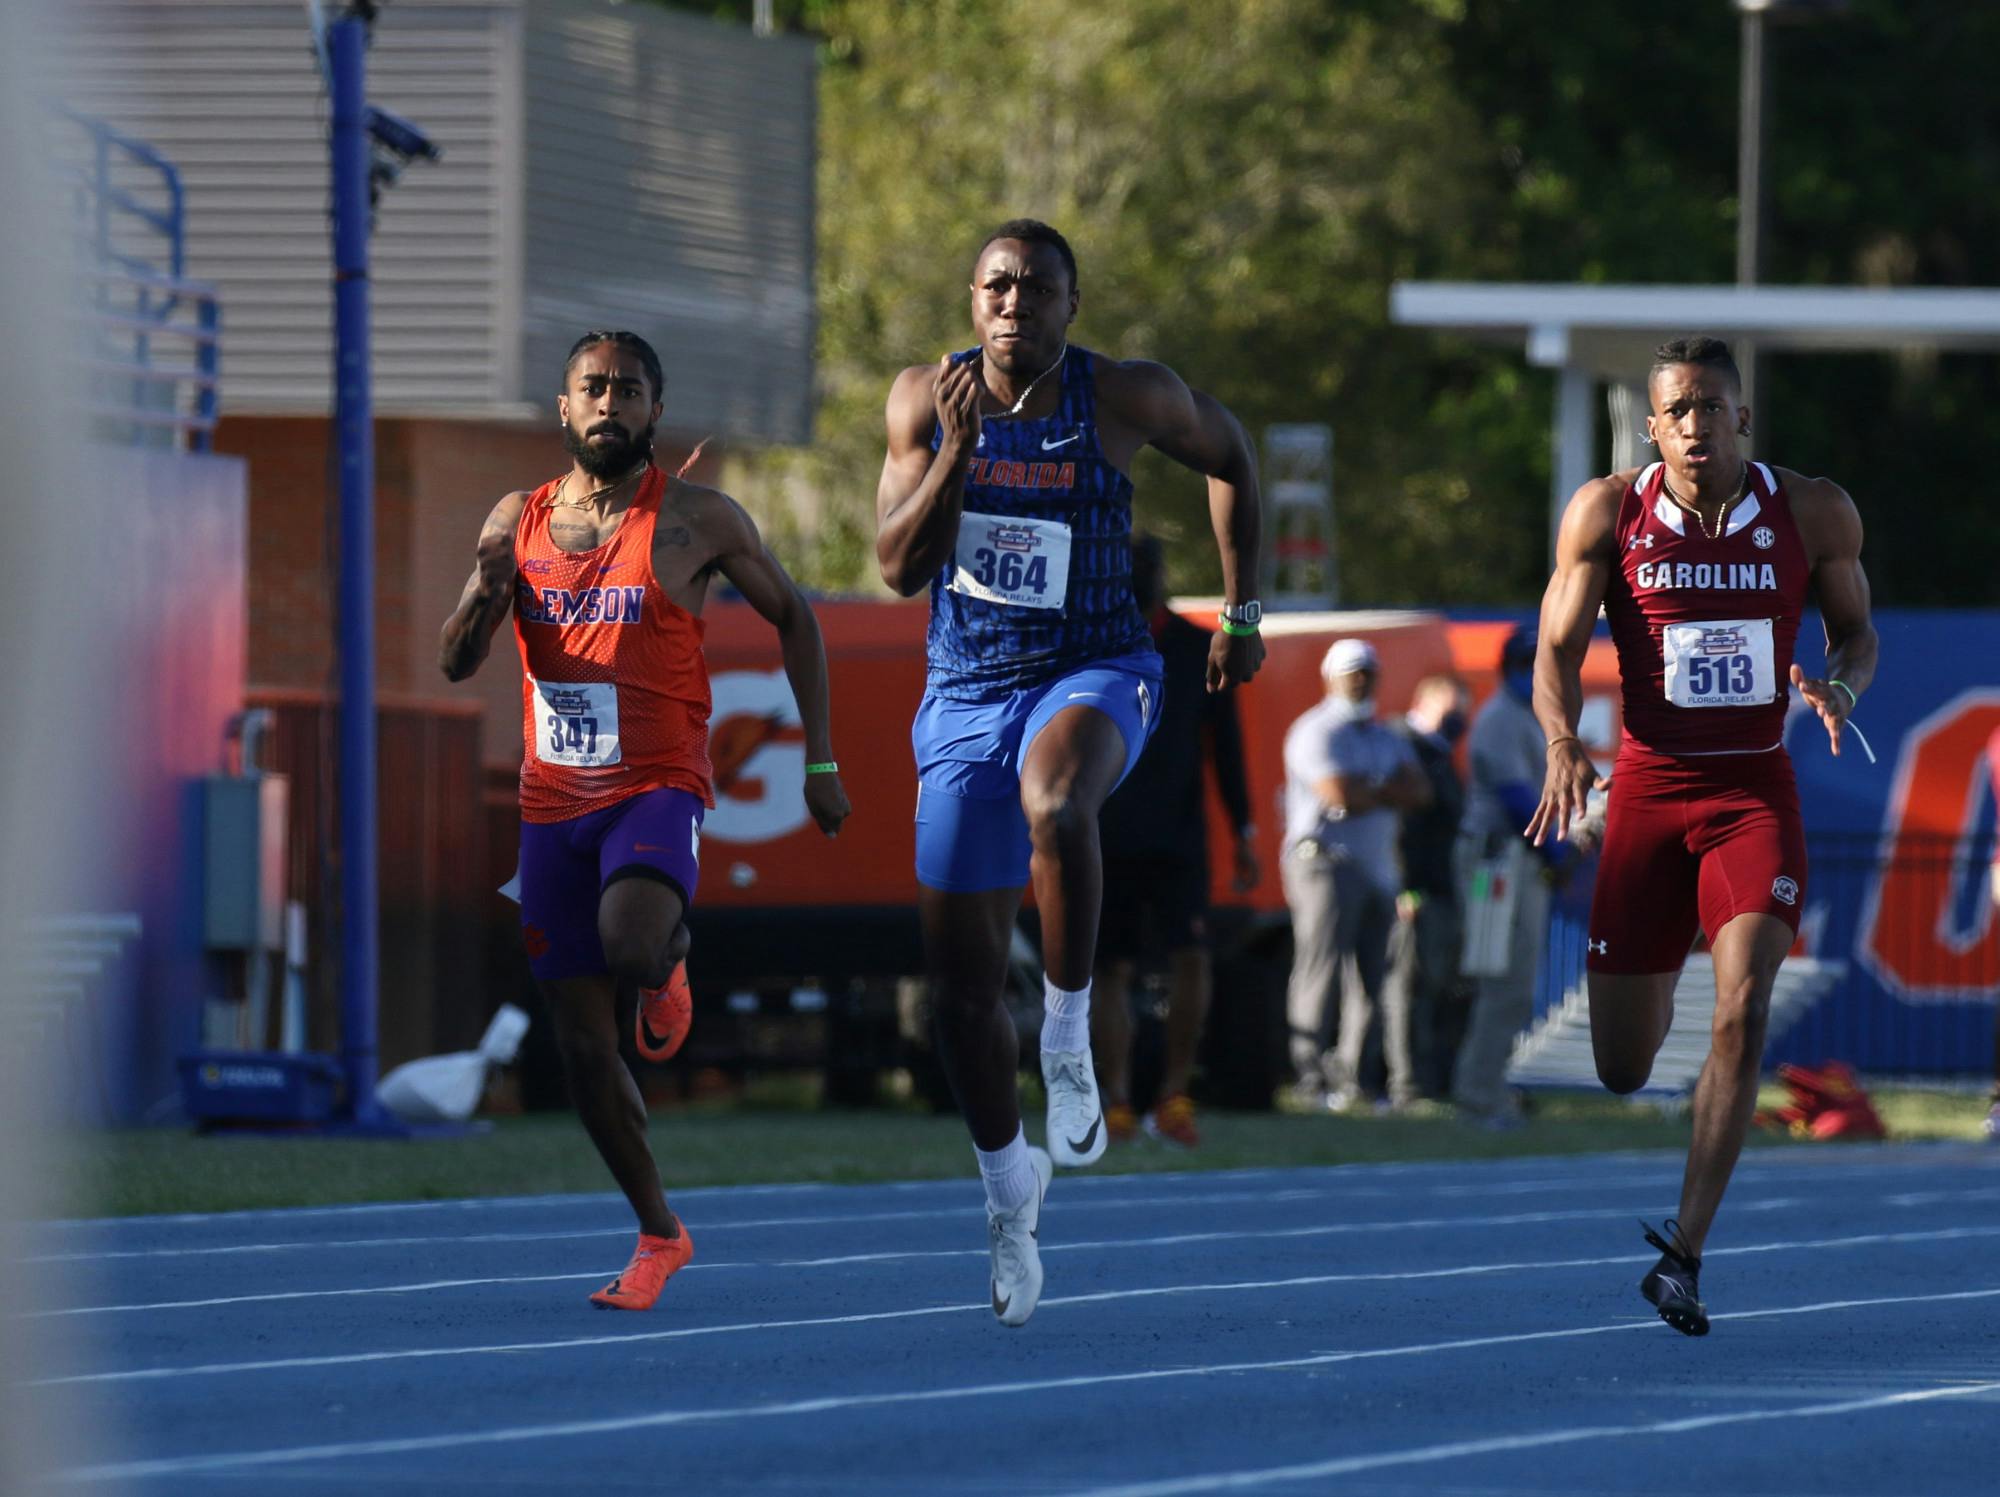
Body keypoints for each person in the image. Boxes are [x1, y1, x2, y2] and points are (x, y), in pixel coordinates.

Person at [875, 219, 1264, 1326]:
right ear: (970, 300)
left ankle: (1068, 1030)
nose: (1013, 305)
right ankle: (1009, 1198)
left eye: (1036, 289)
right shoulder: (922, 398)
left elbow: (1232, 456)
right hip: (964, 691)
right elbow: (898, 568)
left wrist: (1239, 608)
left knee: (1058, 802)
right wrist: (953, 452)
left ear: (1069, 306)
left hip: (1095, 669)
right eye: (996, 286)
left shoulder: (1124, 397)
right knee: (954, 993)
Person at [439, 330, 850, 1310]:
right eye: (593, 388)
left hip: (654, 785)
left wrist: (821, 760)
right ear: (563, 405)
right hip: (553, 805)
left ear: (655, 410)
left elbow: (795, 617)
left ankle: (666, 962)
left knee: (630, 944)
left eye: (628, 390)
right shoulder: (515, 518)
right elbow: (456, 661)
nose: (609, 405)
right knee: (582, 1046)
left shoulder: (696, 519)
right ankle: (659, 1233)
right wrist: (487, 595)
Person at [1529, 334, 1876, 1336]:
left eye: (1709, 408)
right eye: (1674, 410)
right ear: (1651, 427)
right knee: (1622, 1070)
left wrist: (1840, 686)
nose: (1692, 426)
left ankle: (1682, 1254)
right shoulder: (1607, 511)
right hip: (1645, 794)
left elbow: (1856, 630)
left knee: (1739, 1011)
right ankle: (1672, 932)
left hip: (1749, 798)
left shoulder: (1810, 509)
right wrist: (1559, 740)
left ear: (1741, 420)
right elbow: (1552, 647)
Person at [1092, 533, 1260, 1149]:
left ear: (1162, 575)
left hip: (1178, 835)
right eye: (1128, 564)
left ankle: (1173, 1097)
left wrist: (1243, 828)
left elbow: (1228, 747)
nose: (1139, 575)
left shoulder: (1195, 646)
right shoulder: (1089, 643)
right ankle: (1115, 1103)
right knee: (1107, 967)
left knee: (1192, 958)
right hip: (1102, 832)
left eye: (1147, 565)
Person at [1281, 638, 1431, 1112]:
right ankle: (1308, 1076)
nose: (1361, 680)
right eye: (1352, 672)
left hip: (1378, 869)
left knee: (1373, 980)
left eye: (1367, 671)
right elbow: (1340, 793)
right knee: (1320, 969)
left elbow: (1421, 792)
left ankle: (1351, 1079)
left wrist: (1374, 791)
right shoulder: (1315, 730)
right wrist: (1384, 790)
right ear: (1331, 678)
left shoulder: (1384, 734)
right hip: (1325, 862)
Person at [1451, 628, 1588, 1126]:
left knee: (1514, 981)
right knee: (1501, 980)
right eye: (1526, 661)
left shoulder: (1529, 717)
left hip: (1518, 859)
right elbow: (1515, 801)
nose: (1534, 670)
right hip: (1497, 860)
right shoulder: (1500, 719)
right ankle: (1478, 1095)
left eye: (1541, 660)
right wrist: (1558, 851)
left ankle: (1491, 1089)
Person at [1387, 673, 1470, 1103]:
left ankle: (1436, 1078)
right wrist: (1406, 887)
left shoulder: (1439, 755)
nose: (1460, 720)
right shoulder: (1406, 747)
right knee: (1409, 989)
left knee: (1440, 987)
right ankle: (1407, 1082)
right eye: (1452, 710)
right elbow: (1403, 828)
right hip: (1418, 891)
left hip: (1442, 888)